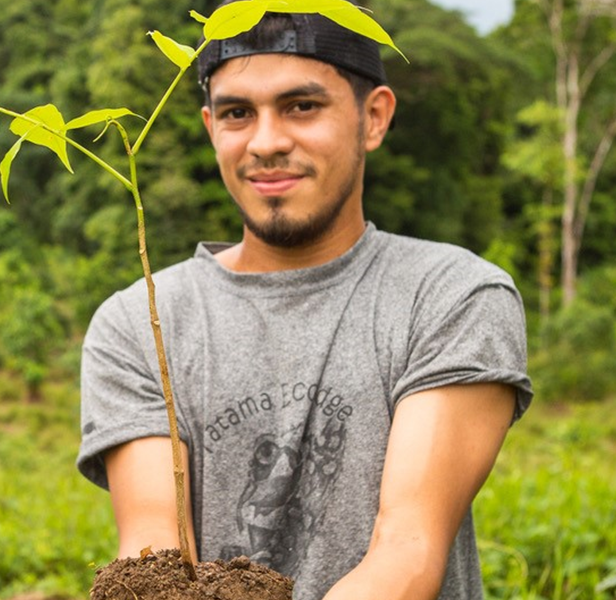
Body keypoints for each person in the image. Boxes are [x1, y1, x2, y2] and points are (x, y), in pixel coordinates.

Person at [76, 3, 533, 599]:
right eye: (239, 113)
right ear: (212, 128)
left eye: (301, 106)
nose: (266, 143)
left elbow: (408, 553)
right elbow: (153, 559)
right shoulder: (138, 322)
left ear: (374, 117)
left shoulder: (451, 296)